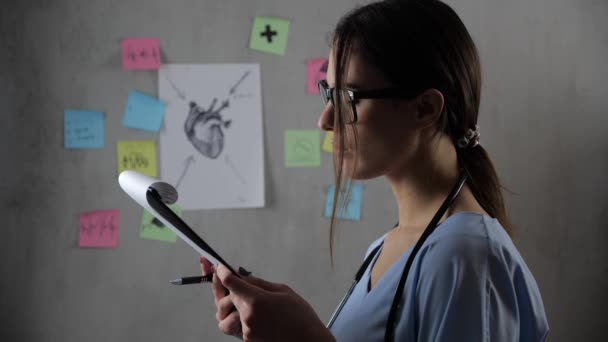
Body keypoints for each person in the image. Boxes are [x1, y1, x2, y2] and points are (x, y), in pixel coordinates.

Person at [200, 0, 549, 340]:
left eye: (349, 98)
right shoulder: (386, 247)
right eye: (329, 94)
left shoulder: (465, 255)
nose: (325, 121)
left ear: (425, 108)